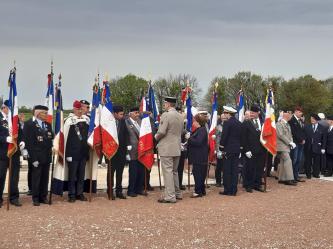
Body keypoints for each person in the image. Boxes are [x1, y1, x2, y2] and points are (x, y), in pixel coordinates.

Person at [155, 97, 184, 203]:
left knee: (168, 172)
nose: (164, 105)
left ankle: (170, 196)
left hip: (166, 147)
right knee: (174, 172)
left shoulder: (166, 115)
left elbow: (162, 131)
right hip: (176, 147)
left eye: (165, 103)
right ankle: (177, 193)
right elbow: (181, 131)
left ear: (168, 104)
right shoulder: (180, 116)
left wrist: (155, 137)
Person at [24, 105, 54, 206]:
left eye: (46, 113)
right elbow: (29, 143)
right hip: (36, 156)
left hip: (46, 156)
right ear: (37, 113)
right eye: (44, 113)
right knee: (36, 178)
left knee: (45, 178)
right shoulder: (29, 124)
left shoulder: (48, 125)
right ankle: (35, 198)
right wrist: (33, 158)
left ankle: (43, 196)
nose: (46, 115)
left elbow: (51, 138)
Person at [0, 100, 24, 207]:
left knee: (14, 176)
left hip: (14, 151)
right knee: (1, 176)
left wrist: (22, 141)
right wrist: (5, 139)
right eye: (10, 108)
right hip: (2, 152)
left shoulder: (15, 119)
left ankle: (14, 197)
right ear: (4, 107)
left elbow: (21, 133)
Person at [65, 101, 89, 202]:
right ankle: (71, 194)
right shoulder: (69, 121)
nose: (79, 111)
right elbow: (66, 139)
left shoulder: (86, 120)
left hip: (83, 153)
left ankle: (80, 193)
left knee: (81, 175)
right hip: (73, 153)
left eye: (81, 109)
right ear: (74, 109)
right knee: (72, 175)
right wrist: (68, 154)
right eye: (77, 109)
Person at [241, 105, 265, 193]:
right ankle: (248, 185)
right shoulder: (246, 123)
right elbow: (243, 138)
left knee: (259, 168)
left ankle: (257, 184)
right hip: (250, 150)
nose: (252, 114)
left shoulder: (263, 122)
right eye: (251, 112)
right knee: (250, 168)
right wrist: (246, 150)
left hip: (262, 149)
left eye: (253, 112)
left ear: (258, 113)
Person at [219, 106, 241, 196]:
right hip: (236, 149)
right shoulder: (239, 123)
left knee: (227, 170)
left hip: (228, 149)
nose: (224, 115)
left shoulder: (227, 123)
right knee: (235, 170)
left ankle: (227, 189)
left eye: (225, 113)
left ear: (228, 114)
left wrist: (221, 147)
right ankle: (234, 190)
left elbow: (224, 136)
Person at [107, 105, 128, 199]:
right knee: (111, 172)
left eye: (123, 114)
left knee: (120, 172)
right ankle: (110, 191)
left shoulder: (123, 121)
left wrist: (127, 149)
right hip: (111, 152)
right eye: (120, 114)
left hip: (121, 152)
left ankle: (119, 191)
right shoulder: (108, 122)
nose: (122, 116)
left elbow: (126, 134)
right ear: (114, 114)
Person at [125, 107, 146, 197]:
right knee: (133, 172)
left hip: (141, 150)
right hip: (132, 151)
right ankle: (131, 190)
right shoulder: (126, 122)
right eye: (135, 113)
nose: (137, 115)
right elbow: (124, 136)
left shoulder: (141, 122)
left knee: (141, 171)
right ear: (130, 113)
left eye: (138, 113)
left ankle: (139, 189)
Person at [188, 114, 208, 197]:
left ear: (198, 122)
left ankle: (198, 191)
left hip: (199, 156)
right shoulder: (200, 129)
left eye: (194, 121)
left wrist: (189, 138)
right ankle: (202, 190)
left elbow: (198, 142)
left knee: (198, 174)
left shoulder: (201, 130)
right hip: (200, 155)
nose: (193, 122)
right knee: (200, 173)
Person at [276, 110, 297, 186]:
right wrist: (289, 142)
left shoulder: (287, 124)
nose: (291, 116)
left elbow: (290, 135)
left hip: (286, 146)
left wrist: (291, 142)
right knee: (288, 161)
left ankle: (281, 178)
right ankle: (289, 178)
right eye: (290, 115)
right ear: (286, 116)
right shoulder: (279, 124)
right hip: (281, 146)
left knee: (282, 162)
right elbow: (280, 135)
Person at [304, 114, 327, 179]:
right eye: (311, 119)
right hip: (308, 147)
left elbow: (324, 139)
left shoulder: (322, 128)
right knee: (308, 161)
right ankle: (308, 174)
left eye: (313, 119)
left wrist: (323, 148)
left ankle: (316, 173)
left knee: (317, 161)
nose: (312, 120)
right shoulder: (306, 127)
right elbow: (304, 136)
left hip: (317, 147)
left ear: (317, 120)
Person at [288, 106, 306, 182]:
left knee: (299, 160)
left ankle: (296, 175)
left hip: (301, 143)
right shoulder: (291, 120)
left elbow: (303, 131)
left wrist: (304, 139)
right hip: (295, 143)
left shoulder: (301, 120)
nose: (300, 113)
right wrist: (301, 139)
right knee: (294, 160)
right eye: (299, 112)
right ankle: (291, 177)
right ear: (295, 111)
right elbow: (293, 132)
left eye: (301, 112)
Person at [215, 113, 228, 187]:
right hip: (220, 149)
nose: (224, 120)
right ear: (221, 119)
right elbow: (217, 140)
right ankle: (218, 181)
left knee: (225, 166)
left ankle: (225, 181)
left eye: (225, 118)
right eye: (223, 118)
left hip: (227, 149)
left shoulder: (228, 126)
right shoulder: (218, 127)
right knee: (219, 166)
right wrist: (218, 150)